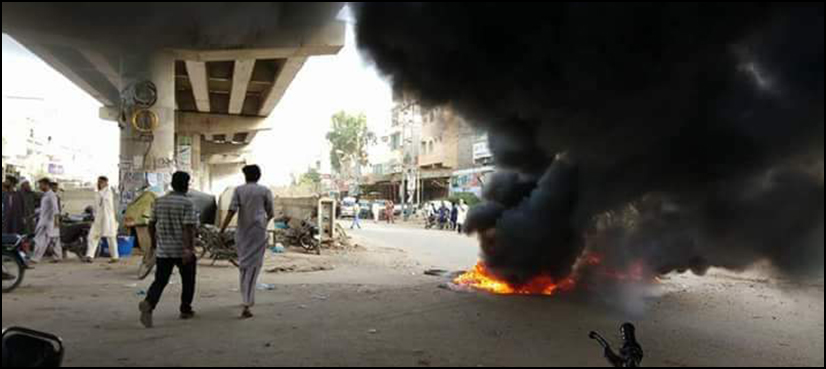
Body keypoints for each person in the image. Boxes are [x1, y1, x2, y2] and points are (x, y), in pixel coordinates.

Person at [139, 172, 198, 328]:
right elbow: (188, 228)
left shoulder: (159, 202)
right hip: (181, 249)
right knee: (188, 279)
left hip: (164, 249)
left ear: (172, 184)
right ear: (186, 185)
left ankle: (149, 303)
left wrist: (153, 244)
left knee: (160, 280)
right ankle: (185, 309)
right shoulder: (187, 203)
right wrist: (188, 249)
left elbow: (151, 225)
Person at [220, 165, 275, 319]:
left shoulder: (238, 190)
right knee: (254, 267)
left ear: (245, 176)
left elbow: (232, 210)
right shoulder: (265, 191)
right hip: (258, 232)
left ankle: (245, 297)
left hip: (242, 232)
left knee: (244, 266)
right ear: (259, 176)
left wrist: (222, 229)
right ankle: (247, 302)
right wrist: (263, 223)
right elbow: (270, 212)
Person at [85, 176, 119, 264]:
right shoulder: (98, 193)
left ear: (105, 183)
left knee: (111, 237)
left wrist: (99, 193)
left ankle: (115, 257)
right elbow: (97, 206)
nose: (98, 184)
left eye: (101, 182)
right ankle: (90, 255)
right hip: (98, 219)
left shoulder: (108, 192)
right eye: (98, 182)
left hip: (107, 219)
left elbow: (104, 200)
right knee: (92, 236)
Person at [31, 178, 62, 264]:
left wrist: (56, 223)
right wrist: (34, 214)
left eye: (40, 184)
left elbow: (56, 209)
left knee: (40, 240)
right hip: (46, 221)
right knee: (54, 240)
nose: (39, 186)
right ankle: (58, 257)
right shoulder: (46, 195)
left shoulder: (51, 195)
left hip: (49, 222)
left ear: (46, 185)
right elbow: (43, 209)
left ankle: (35, 259)